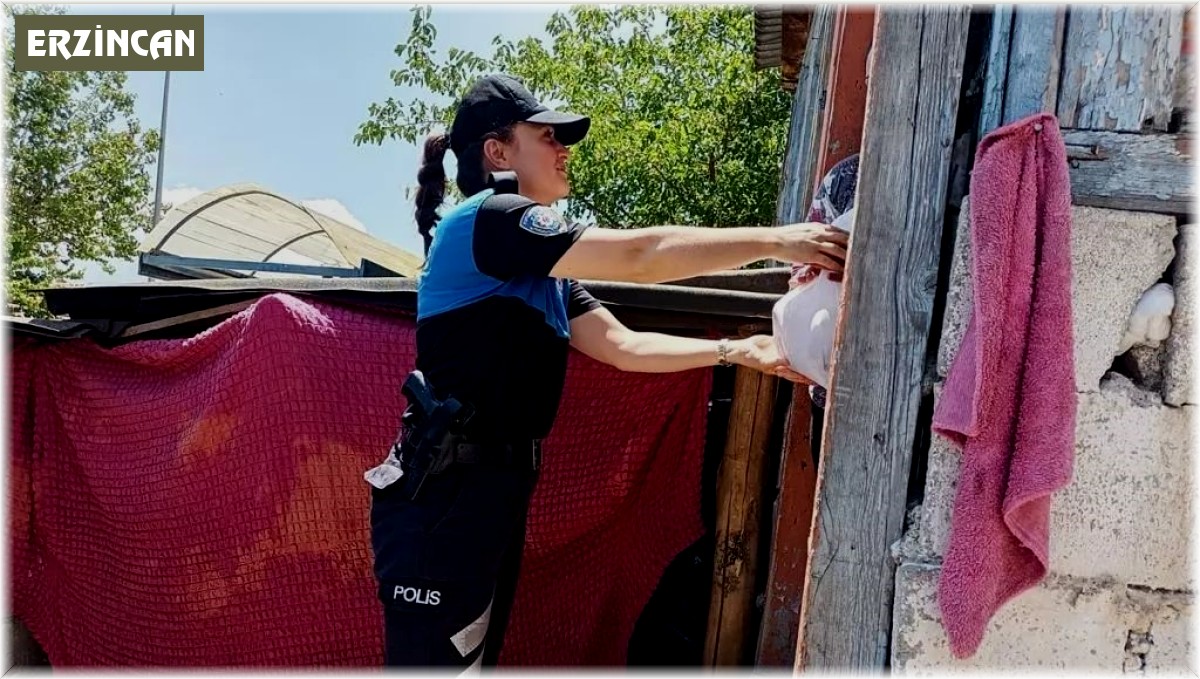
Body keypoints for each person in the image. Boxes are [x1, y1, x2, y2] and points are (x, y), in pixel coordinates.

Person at [366, 73, 848, 671]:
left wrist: (736, 351)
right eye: (546, 136)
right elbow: (638, 256)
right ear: (497, 152)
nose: (563, 149)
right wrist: (780, 241)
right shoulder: (488, 219)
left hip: (484, 493)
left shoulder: (541, 275)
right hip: (444, 497)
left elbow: (624, 346)